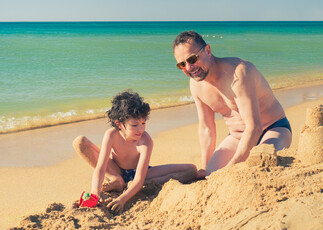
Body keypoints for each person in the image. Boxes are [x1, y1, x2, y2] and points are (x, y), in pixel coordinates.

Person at [172, 31, 292, 179]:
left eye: (192, 59)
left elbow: (255, 127)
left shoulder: (239, 73)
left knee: (260, 165)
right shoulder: (196, 85)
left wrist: (230, 169)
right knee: (211, 174)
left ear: (208, 51)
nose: (189, 67)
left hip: (272, 128)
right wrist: (204, 167)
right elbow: (206, 128)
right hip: (237, 136)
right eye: (182, 64)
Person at [73, 90, 197, 213]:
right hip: (115, 170)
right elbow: (100, 168)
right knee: (80, 141)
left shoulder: (145, 141)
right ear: (120, 124)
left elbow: (139, 178)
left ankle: (132, 185)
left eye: (143, 123)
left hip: (140, 174)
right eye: (135, 125)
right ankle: (117, 180)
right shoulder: (112, 135)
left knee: (191, 170)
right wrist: (95, 192)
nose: (141, 129)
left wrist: (122, 199)